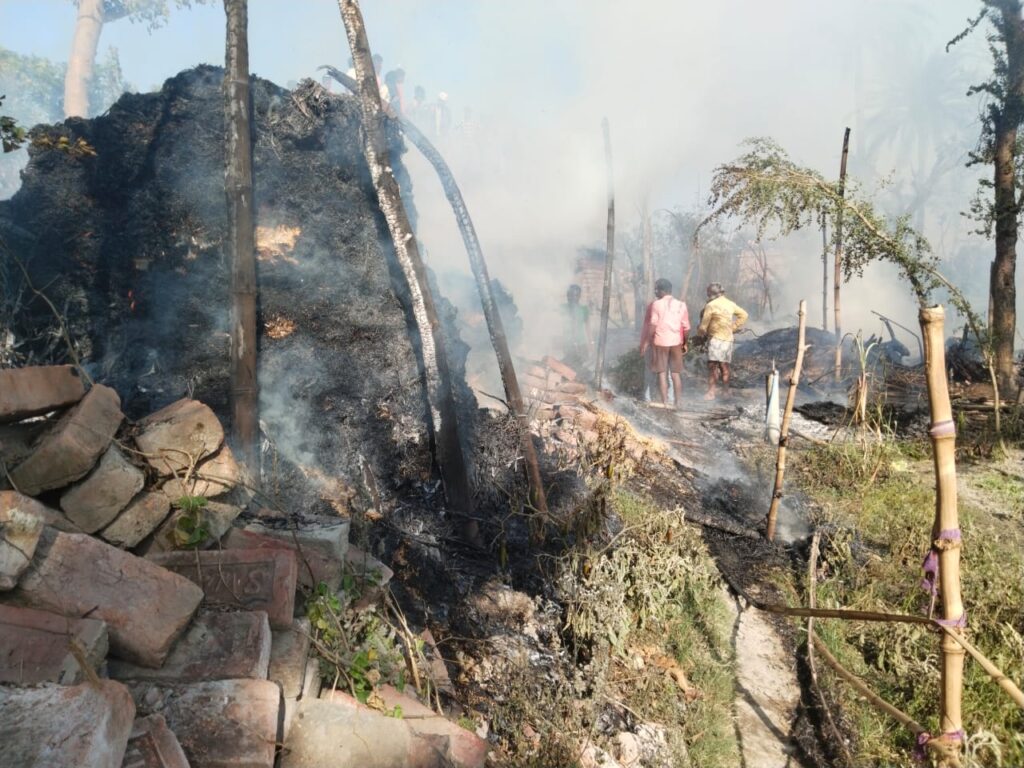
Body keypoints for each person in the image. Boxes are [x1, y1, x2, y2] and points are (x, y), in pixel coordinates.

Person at [640, 278, 690, 409]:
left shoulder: (657, 304)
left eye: (656, 289)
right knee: (675, 374)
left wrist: (646, 341)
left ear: (662, 290)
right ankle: (678, 403)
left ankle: (665, 403)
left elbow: (653, 324)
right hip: (676, 342)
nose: (655, 291)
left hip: (660, 342)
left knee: (662, 373)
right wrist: (684, 342)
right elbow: (686, 327)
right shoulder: (681, 304)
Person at [696, 282, 748, 400]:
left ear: (712, 293)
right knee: (725, 366)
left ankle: (711, 393)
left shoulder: (711, 305)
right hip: (728, 339)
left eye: (708, 293)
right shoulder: (730, 304)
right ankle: (725, 392)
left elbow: (703, 326)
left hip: (715, 340)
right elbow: (744, 315)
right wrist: (733, 328)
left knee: (712, 366)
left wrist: (699, 334)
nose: (707, 295)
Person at [562, 284, 592, 368]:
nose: (573, 298)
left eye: (575, 295)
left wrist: (591, 343)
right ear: (567, 296)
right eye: (570, 295)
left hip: (581, 343)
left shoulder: (584, 309)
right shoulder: (563, 308)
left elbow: (588, 328)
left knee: (584, 366)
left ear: (579, 296)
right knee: (569, 366)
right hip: (568, 344)